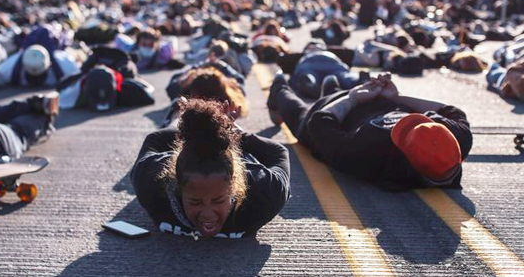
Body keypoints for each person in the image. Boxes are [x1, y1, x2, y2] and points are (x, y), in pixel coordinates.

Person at [267, 73, 472, 191]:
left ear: (406, 158)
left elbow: (319, 122)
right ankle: (334, 86)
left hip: (337, 109)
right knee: (337, 86)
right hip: (378, 99)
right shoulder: (456, 136)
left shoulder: (369, 154)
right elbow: (450, 110)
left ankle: (278, 89)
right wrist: (397, 98)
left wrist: (353, 98)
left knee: (301, 121)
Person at [131, 99, 290, 239]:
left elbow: (278, 152)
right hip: (182, 151)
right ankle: (177, 115)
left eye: (218, 200)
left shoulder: (265, 195)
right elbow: (155, 139)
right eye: (195, 202)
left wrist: (234, 133)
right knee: (175, 125)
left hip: (238, 151)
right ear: (177, 186)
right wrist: (192, 133)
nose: (207, 214)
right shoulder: (150, 183)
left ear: (234, 186)